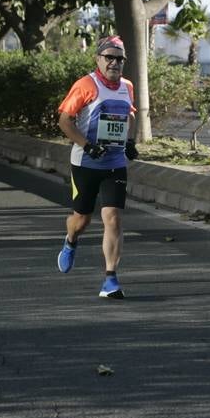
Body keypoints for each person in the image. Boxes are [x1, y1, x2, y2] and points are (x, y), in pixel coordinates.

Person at [55, 35, 137, 298]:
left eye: (119, 59)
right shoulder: (85, 85)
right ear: (98, 59)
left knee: (113, 217)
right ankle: (70, 240)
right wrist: (88, 145)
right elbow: (64, 121)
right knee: (81, 220)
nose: (115, 63)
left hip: (115, 163)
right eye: (109, 57)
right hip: (86, 163)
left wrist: (130, 141)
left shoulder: (127, 86)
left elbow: (130, 114)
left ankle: (110, 279)